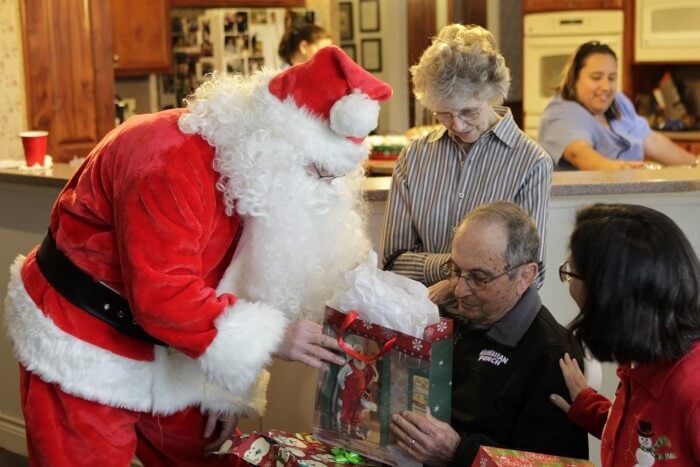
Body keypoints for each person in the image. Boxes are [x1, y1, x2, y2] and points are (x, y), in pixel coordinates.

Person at [4, 46, 392, 466]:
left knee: (211, 453)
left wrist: (224, 389)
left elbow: (249, 274)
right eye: (318, 171)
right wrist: (274, 337)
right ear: (276, 140)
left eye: (334, 177)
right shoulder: (168, 159)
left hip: (177, 339)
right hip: (82, 335)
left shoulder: (255, 170)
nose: (323, 187)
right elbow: (163, 293)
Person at [390, 201, 588, 466]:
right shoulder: (449, 314)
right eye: (456, 271)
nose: (459, 290)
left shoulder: (551, 355)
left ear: (525, 277)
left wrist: (458, 452)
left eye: (479, 278)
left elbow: (553, 465)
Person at [382, 24, 553, 306]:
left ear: (492, 94)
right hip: (423, 319)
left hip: (491, 331)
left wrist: (450, 280)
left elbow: (530, 274)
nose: (458, 125)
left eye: (468, 111)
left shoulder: (531, 162)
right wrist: (463, 270)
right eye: (444, 114)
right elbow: (392, 262)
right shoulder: (414, 157)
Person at [550, 204, 700, 466]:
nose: (570, 285)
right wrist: (590, 408)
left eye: (571, 272)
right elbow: (649, 440)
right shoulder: (643, 357)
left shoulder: (692, 391)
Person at [538, 41, 699, 171]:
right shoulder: (561, 112)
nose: (606, 86)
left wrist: (695, 164)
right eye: (596, 77)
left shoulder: (618, 102)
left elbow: (652, 141)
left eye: (612, 78)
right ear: (574, 79)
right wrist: (620, 170)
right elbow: (578, 153)